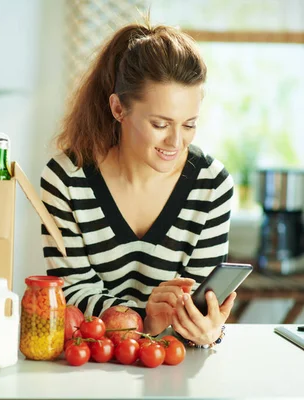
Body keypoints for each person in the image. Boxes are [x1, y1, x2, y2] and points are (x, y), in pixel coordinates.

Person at [40, 21, 236, 348]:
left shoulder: (211, 186)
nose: (176, 141)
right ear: (119, 108)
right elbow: (70, 291)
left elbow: (201, 303)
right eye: (160, 124)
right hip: (89, 359)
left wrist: (209, 329)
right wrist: (144, 316)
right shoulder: (67, 179)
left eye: (189, 124)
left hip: (173, 363)